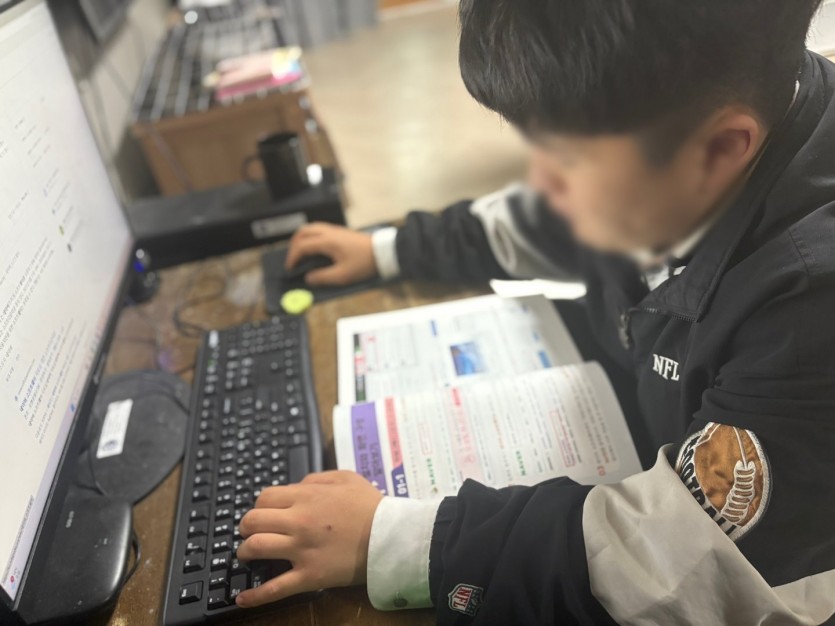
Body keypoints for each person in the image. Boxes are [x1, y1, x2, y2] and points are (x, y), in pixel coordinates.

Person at [234, 1, 835, 623]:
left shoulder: (813, 307)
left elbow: (680, 560)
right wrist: (393, 248)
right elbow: (554, 216)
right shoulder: (682, 142)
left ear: (719, 151)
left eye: (571, 162)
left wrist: (393, 540)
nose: (546, 185)